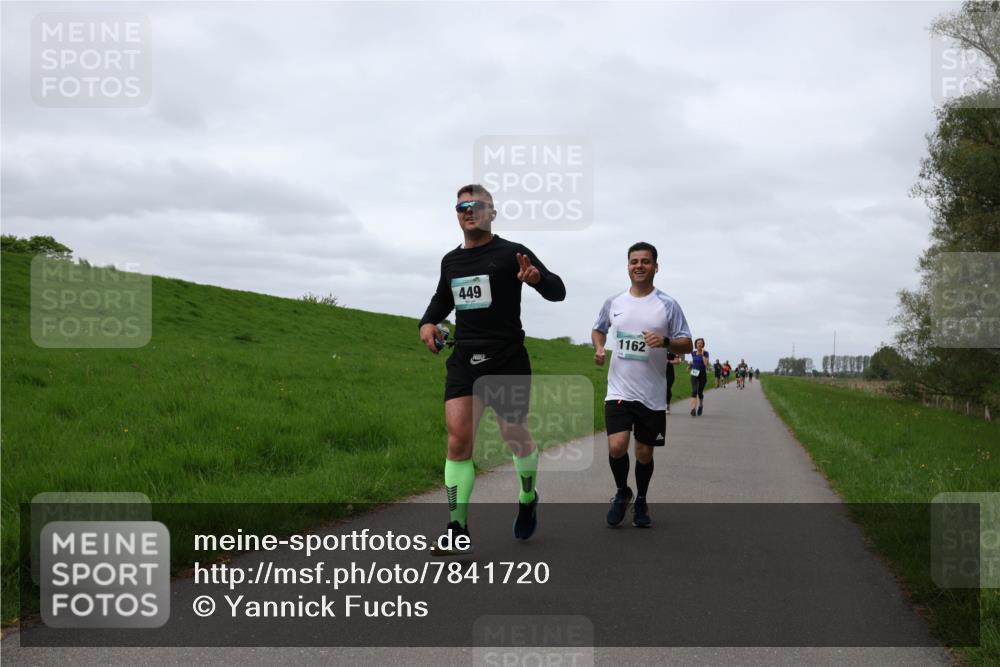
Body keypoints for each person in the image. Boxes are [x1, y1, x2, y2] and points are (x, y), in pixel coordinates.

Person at [419, 184, 566, 555]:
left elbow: (557, 290)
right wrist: (426, 324)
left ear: (492, 212)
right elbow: (442, 298)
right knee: (457, 441)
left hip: (506, 360)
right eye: (462, 206)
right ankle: (456, 527)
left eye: (477, 205)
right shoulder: (451, 261)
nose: (469, 211)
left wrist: (536, 279)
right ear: (457, 214)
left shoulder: (511, 253)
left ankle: (528, 495)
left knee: (514, 435)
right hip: (464, 359)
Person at [592, 242, 692, 528]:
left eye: (645, 261)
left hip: (652, 393)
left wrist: (666, 341)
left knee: (644, 453)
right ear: (628, 266)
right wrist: (599, 347)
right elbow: (599, 328)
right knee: (616, 445)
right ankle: (622, 492)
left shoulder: (668, 304)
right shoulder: (614, 302)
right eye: (634, 261)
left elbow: (686, 342)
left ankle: (642, 499)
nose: (639, 266)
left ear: (655, 267)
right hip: (619, 389)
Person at [688, 338, 710, 416]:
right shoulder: (693, 353)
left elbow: (705, 364)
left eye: (701, 343)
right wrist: (690, 366)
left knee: (700, 392)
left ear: (703, 345)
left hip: (702, 375)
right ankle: (693, 409)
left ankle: (700, 406)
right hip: (694, 373)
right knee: (694, 391)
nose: (699, 344)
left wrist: (702, 354)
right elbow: (694, 362)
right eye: (698, 343)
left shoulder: (706, 353)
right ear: (696, 345)